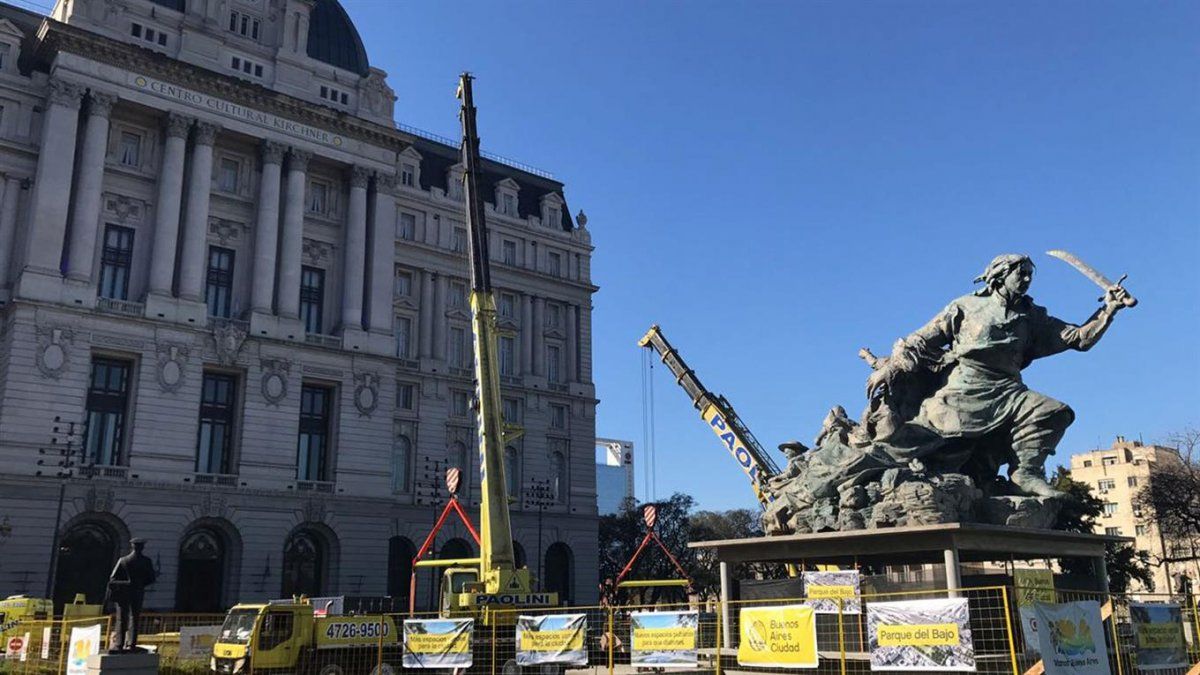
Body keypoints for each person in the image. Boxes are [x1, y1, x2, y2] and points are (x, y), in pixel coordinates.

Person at [866, 254, 1132, 498]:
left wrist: (1109, 310)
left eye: (1030, 275)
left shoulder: (1032, 316)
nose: (1027, 280)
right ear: (1000, 276)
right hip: (963, 389)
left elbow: (1079, 339)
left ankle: (1025, 474)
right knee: (925, 444)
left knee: (1054, 412)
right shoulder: (965, 307)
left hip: (1010, 390)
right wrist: (891, 367)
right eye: (1021, 274)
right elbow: (920, 340)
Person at [105, 538, 157, 652]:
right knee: (135, 618)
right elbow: (152, 578)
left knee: (121, 618)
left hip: (123, 593)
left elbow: (112, 578)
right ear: (142, 547)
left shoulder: (124, 560)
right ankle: (131, 644)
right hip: (138, 592)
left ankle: (119, 645)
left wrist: (125, 583)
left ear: (132, 547)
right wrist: (140, 584)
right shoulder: (146, 561)